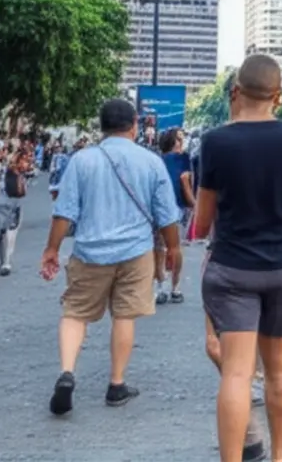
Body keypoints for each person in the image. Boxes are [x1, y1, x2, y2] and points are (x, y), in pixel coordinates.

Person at [194, 55, 282, 462]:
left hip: (232, 267)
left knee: (237, 373)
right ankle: (279, 456)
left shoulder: (215, 141)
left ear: (235, 92)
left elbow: (202, 220)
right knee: (280, 368)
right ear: (278, 96)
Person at [41, 98, 182, 415]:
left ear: (101, 126)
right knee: (124, 315)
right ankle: (116, 384)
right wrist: (173, 249)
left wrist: (51, 249)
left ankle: (67, 372)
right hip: (135, 252)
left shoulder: (82, 160)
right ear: (134, 125)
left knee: (74, 312)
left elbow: (64, 212)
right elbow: (166, 216)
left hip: (89, 250)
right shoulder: (151, 162)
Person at [156, 128, 192, 304]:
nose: (181, 142)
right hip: (168, 207)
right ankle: (167, 286)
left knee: (166, 248)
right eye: (178, 139)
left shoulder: (184, 159)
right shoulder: (163, 160)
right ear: (170, 141)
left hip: (175, 206)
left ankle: (168, 286)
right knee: (165, 248)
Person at [0, 147, 29, 276]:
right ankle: (6, 262)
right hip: (10, 203)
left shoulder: (11, 169)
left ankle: (4, 261)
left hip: (4, 202)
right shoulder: (12, 170)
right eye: (25, 161)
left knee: (4, 233)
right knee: (10, 233)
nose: (27, 164)